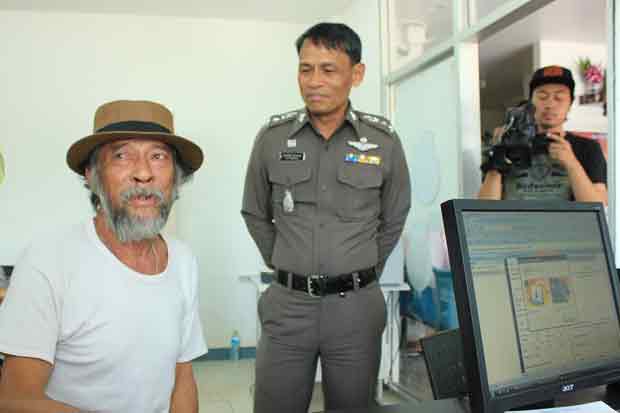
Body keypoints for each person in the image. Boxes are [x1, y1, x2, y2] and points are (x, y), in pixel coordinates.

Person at [241, 23, 411, 413]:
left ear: (357, 74)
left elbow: (394, 216)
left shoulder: (383, 142)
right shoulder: (272, 138)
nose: (314, 81)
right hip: (288, 306)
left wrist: (361, 268)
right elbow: (255, 211)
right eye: (306, 69)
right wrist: (285, 261)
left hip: (356, 309)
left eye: (328, 69)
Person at [0, 100, 207, 413]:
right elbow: (15, 399)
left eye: (158, 156)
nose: (143, 173)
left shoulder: (183, 260)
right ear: (92, 175)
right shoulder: (48, 260)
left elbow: (182, 376)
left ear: (176, 178)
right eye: (122, 155)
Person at [478, 65, 607, 203]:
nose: (550, 104)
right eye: (542, 97)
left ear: (570, 104)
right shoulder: (510, 143)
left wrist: (571, 163)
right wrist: (497, 159)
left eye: (559, 98)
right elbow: (485, 208)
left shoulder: (588, 148)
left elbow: (598, 206)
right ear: (530, 103)